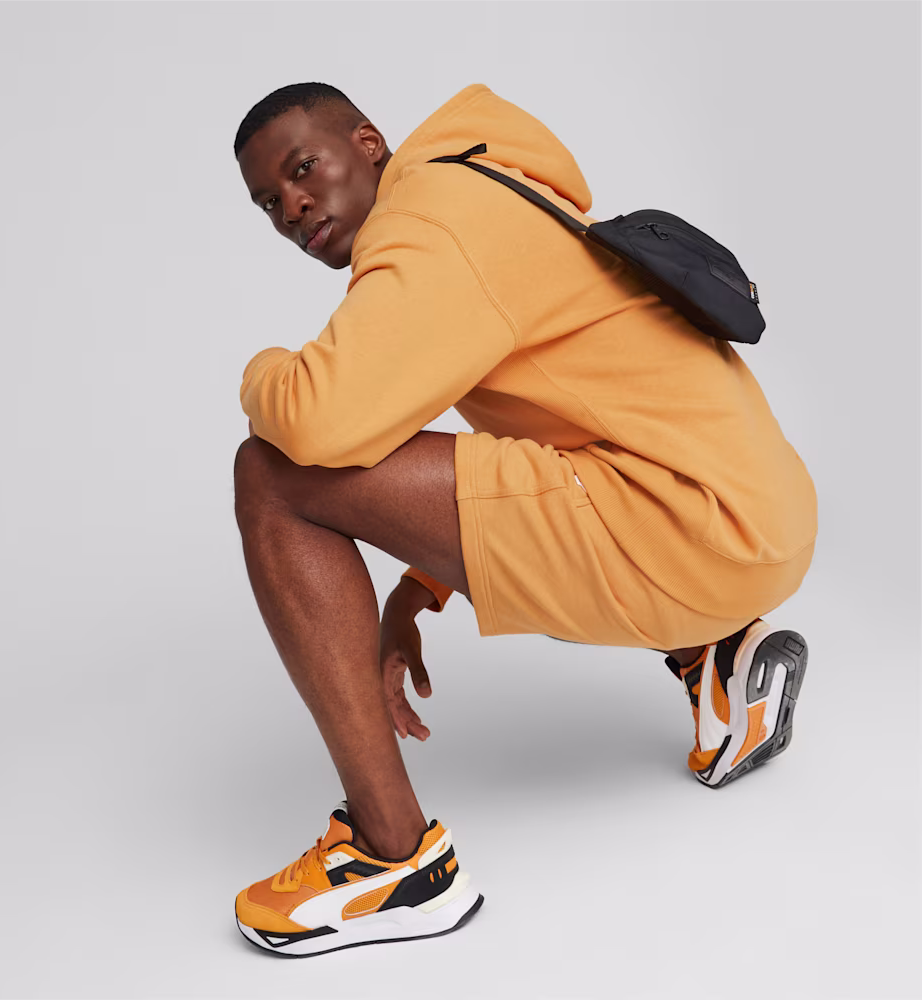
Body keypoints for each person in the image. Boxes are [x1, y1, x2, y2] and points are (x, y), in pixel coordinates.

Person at [230, 82, 817, 958]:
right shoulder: (479, 179)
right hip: (753, 515)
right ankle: (722, 657)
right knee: (525, 465)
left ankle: (394, 861)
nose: (293, 207)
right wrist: (421, 584)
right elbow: (559, 411)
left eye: (303, 168)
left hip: (689, 529)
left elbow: (315, 422)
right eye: (268, 202)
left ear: (368, 141)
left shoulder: (427, 227)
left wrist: (256, 370)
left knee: (272, 474)